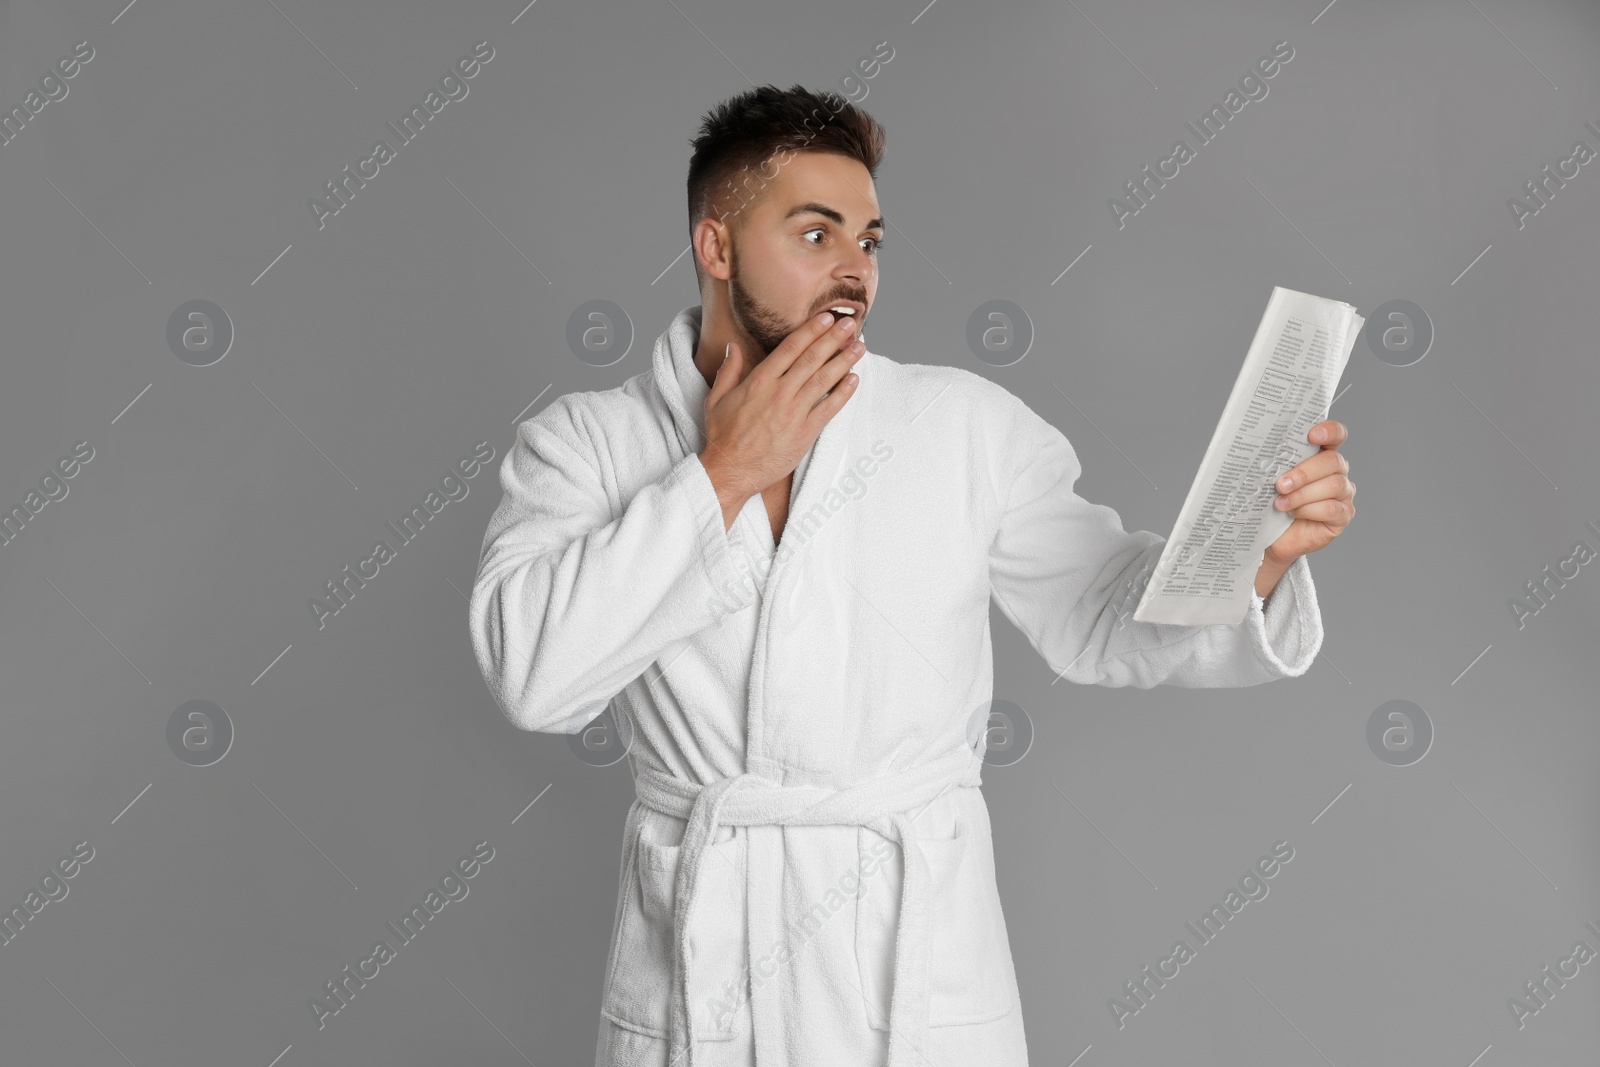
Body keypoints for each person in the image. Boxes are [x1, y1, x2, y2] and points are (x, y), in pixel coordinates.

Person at [467, 83, 1356, 1067]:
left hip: (912, 979)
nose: (854, 268)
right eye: (814, 235)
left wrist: (1257, 554)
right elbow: (534, 675)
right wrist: (722, 472)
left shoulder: (961, 425)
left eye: (870, 240)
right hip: (702, 977)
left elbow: (1106, 619)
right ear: (715, 248)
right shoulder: (586, 443)